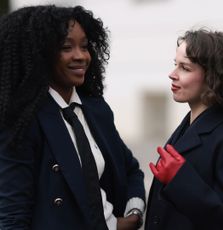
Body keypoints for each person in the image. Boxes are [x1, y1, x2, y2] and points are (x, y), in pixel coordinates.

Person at [0, 5, 146, 230]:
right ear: (40, 53)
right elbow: (12, 215)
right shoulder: (21, 121)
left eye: (85, 46)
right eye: (66, 47)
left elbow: (130, 169)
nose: (80, 56)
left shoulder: (96, 109)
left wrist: (133, 214)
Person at [145, 28, 223, 230]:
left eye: (185, 68)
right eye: (175, 65)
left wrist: (180, 180)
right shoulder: (190, 123)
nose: (172, 74)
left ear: (212, 76)